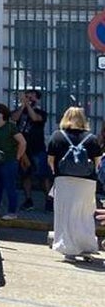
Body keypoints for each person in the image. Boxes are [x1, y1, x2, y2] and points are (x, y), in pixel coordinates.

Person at [46, 107, 102, 260]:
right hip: (87, 182)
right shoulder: (91, 138)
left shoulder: (57, 136)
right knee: (84, 214)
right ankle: (86, 246)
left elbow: (51, 160)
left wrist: (57, 173)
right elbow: (97, 162)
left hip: (64, 180)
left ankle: (69, 249)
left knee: (65, 214)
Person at [0, 102, 25, 219]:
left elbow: (22, 142)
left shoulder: (10, 127)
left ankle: (12, 212)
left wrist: (17, 157)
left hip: (8, 161)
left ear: (2, 114)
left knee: (10, 186)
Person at [12, 89, 49, 211]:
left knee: (43, 176)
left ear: (37, 99)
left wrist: (27, 104)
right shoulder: (20, 111)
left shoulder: (41, 113)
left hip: (37, 149)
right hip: (24, 150)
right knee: (25, 176)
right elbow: (14, 118)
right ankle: (28, 200)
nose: (29, 99)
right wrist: (23, 105)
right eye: (27, 97)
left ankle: (49, 199)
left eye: (31, 97)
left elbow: (35, 118)